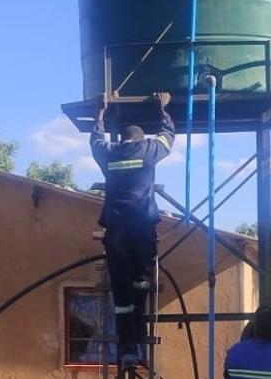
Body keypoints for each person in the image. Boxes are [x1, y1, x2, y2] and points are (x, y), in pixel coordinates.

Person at [91, 91, 175, 368]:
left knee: (121, 294)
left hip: (116, 233)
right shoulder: (148, 150)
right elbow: (168, 136)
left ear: (124, 138)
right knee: (141, 284)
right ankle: (138, 340)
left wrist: (101, 113)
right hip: (141, 229)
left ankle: (127, 349)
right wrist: (162, 109)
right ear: (140, 139)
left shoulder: (108, 154)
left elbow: (96, 140)